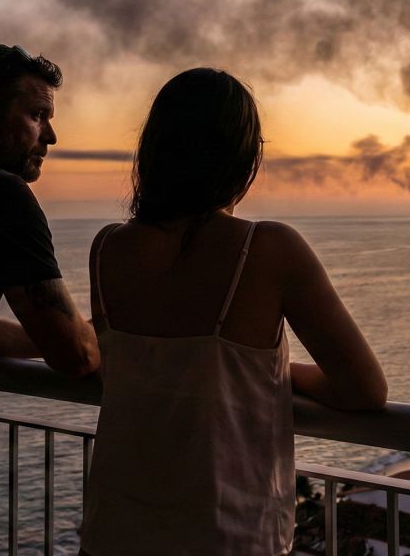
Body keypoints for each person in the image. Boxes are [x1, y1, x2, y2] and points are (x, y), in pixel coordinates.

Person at [80, 67, 387, 556]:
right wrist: (276, 374)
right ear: (242, 158)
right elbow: (365, 389)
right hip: (227, 536)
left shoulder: (107, 249)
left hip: (113, 531)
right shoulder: (269, 248)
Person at [0, 43, 99, 377]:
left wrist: (44, 338)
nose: (51, 137)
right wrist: (101, 334)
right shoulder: (3, 195)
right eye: (37, 115)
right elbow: (77, 356)